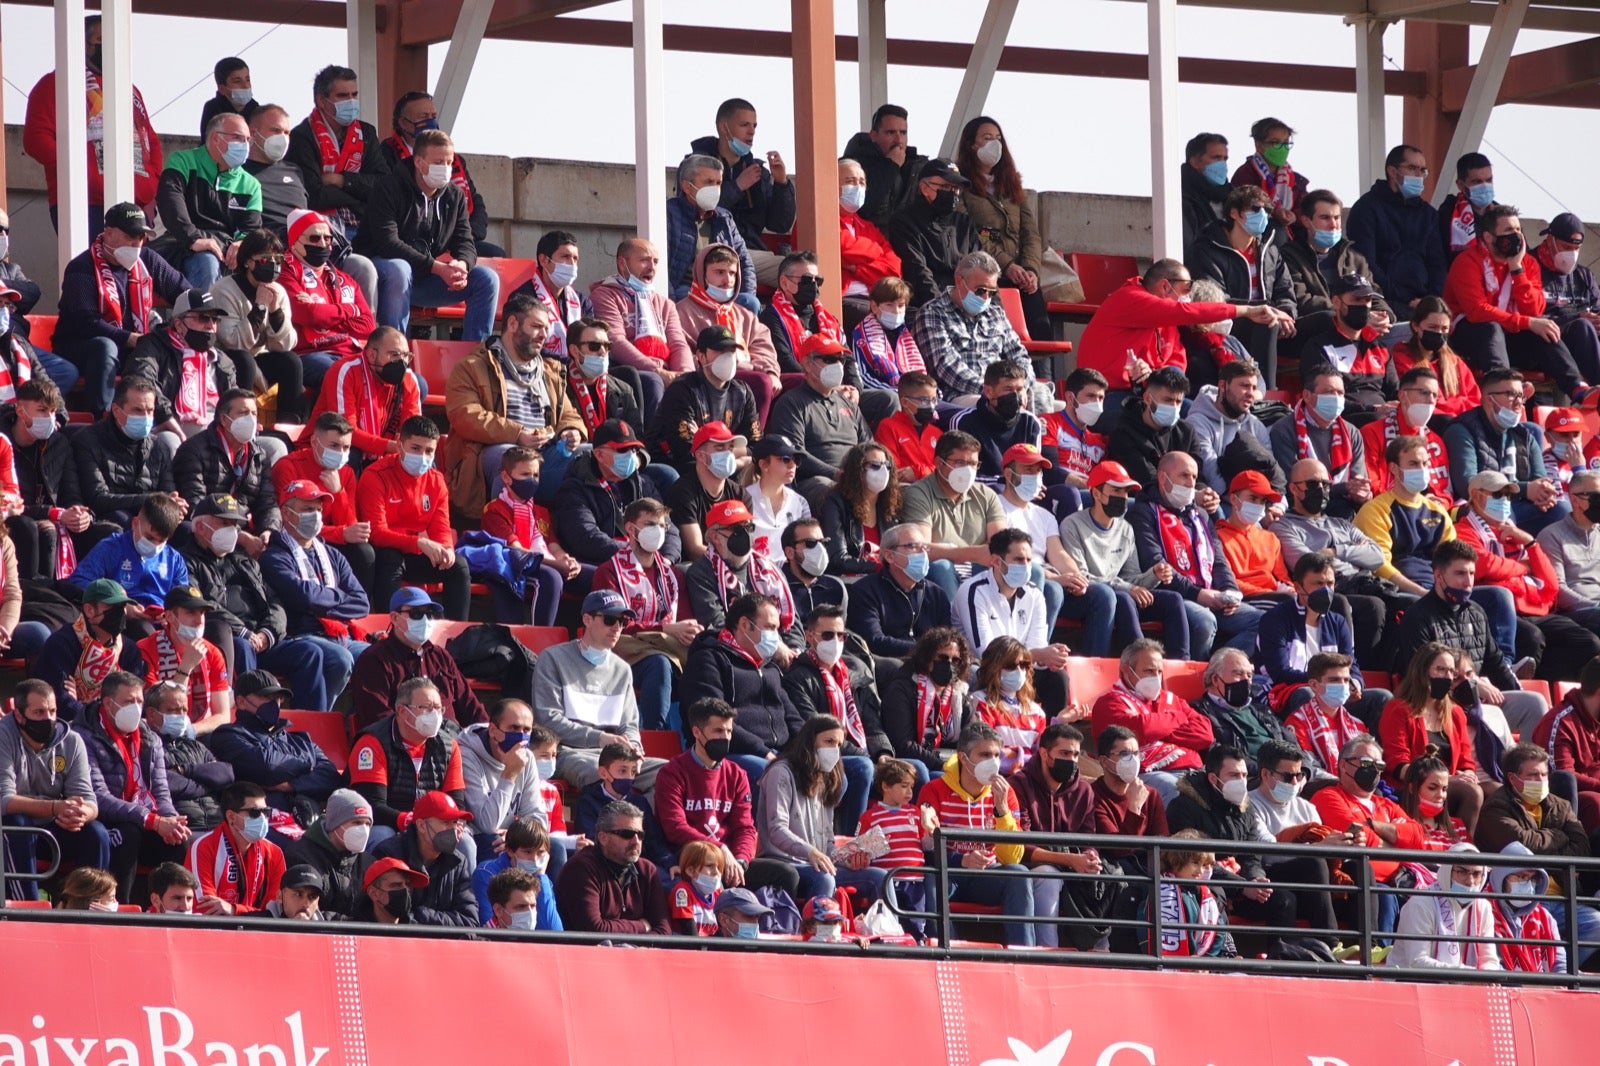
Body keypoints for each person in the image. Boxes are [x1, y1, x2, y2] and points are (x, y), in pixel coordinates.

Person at [180, 493, 346, 708]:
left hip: (262, 638)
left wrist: (268, 633)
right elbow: (201, 605)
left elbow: (274, 602)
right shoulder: (186, 562)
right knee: (242, 646)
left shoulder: (245, 560)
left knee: (309, 653)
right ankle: (253, 714)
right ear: (201, 527)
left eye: (235, 525)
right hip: (229, 641)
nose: (232, 530)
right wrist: (244, 632)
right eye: (224, 523)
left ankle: (311, 722)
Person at [1169, 744, 1339, 949]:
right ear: (1213, 778)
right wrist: (1242, 887)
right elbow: (1195, 860)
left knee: (1288, 893)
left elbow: (1252, 854)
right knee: (1278, 898)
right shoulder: (1184, 807)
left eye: (1243, 775)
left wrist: (1255, 878)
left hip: (1243, 881)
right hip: (1210, 882)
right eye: (1234, 775)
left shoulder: (1244, 807)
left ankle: (1312, 951)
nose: (1241, 781)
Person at [441, 294, 583, 519]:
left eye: (546, 329)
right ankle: (506, 530)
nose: (544, 335)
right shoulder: (472, 366)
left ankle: (579, 532)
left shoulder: (550, 370)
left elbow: (567, 413)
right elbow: (465, 416)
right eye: (536, 327)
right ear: (513, 323)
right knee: (511, 458)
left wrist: (571, 431)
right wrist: (517, 434)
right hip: (492, 454)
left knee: (593, 456)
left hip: (545, 453)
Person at [22, 15, 163, 236]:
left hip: (135, 203)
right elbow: (36, 140)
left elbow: (150, 140)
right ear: (85, 45)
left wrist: (151, 184)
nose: (111, 47)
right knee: (94, 259)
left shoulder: (129, 88)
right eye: (102, 40)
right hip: (84, 203)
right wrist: (81, 171)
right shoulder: (56, 83)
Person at [1391, 540, 1547, 739]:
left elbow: (1496, 664)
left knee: (1533, 703)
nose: (1468, 582)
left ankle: (1530, 760)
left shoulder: (1477, 612)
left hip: (1476, 702)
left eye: (1472, 573)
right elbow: (1421, 675)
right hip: (1437, 707)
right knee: (1490, 718)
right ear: (1438, 575)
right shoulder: (1417, 616)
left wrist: (1516, 691)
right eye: (1460, 573)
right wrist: (1471, 683)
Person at [1076, 259, 1285, 406]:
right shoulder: (1130, 298)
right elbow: (1187, 311)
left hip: (1148, 395)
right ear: (1165, 286)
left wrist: (1154, 376)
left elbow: (1176, 364)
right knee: (1190, 415)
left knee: (1192, 412)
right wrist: (1247, 311)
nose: (1187, 298)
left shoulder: (1168, 322)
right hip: (1105, 396)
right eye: (1185, 290)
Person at [357, 129, 499, 342]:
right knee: (399, 269)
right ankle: (394, 350)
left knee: (486, 279)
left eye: (449, 162)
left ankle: (475, 356)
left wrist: (462, 265)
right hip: (384, 274)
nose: (446, 168)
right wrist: (437, 267)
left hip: (425, 279)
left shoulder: (454, 196)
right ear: (418, 162)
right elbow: (388, 243)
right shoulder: (388, 187)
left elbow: (465, 241)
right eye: (439, 162)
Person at [1457, 469, 1600, 681]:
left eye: (1508, 496)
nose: (1505, 500)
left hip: (1534, 608)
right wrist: (1524, 568)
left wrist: (1530, 543)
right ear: (1477, 496)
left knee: (1588, 643)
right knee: (1532, 638)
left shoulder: (1514, 533)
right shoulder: (1464, 530)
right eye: (1498, 494)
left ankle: (1549, 685)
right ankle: (1514, 684)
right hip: (1500, 611)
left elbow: (1550, 584)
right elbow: (1485, 565)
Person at [1445, 203, 1594, 404]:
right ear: (1488, 237)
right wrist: (1528, 323)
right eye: (1508, 230)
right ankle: (1506, 388)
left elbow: (1535, 310)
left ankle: (1579, 390)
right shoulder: (1468, 261)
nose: (1515, 235)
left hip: (1511, 336)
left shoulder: (1527, 263)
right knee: (1492, 328)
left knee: (1544, 329)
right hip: (1472, 336)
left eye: (1518, 229)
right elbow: (1477, 311)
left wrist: (1516, 268)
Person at [655, 697, 800, 898]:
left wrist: (741, 861)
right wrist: (719, 849)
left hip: (730, 860)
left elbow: (745, 828)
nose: (725, 737)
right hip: (693, 858)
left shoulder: (737, 774)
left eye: (729, 731)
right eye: (718, 731)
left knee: (786, 875)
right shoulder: (672, 772)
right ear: (697, 732)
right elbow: (675, 828)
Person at [54, 204, 190, 416]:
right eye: (130, 236)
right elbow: (86, 323)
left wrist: (187, 320)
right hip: (82, 345)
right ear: (109, 233)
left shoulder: (147, 259)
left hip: (132, 345)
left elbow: (185, 294)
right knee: (106, 347)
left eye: (141, 237)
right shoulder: (82, 266)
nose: (136, 243)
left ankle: (166, 416)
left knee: (164, 345)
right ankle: (103, 417)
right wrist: (129, 338)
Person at [1129, 450, 1263, 659]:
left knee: (1262, 621)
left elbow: (1218, 560)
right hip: (1175, 595)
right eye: (1184, 475)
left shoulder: (1200, 515)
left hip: (1210, 594)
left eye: (1194, 476)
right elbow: (1154, 563)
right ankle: (1200, 672)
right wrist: (1197, 594)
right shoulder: (1143, 512)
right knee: (1204, 621)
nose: (1191, 483)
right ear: (1163, 478)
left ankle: (1217, 667)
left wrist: (1230, 591)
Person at [1475, 742, 1599, 964]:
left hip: (1563, 898)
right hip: (1520, 902)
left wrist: (1542, 856)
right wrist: (1558, 836)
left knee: (1597, 924)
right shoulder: (1495, 808)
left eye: (1544, 774)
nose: (1540, 780)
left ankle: (1563, 973)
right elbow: (1522, 846)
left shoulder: (1561, 805)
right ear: (1513, 778)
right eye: (1533, 775)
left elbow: (1581, 847)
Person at [531, 589, 666, 792]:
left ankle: (637, 813)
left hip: (616, 756)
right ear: (587, 619)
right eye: (610, 619)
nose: (617, 627)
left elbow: (629, 725)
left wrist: (634, 749)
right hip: (569, 752)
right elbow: (548, 719)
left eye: (623, 622)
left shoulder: (623, 669)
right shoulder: (553, 658)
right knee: (601, 774)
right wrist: (600, 739)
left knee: (669, 774)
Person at [1058, 458, 1192, 660]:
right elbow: (1081, 577)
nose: (1123, 497)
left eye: (1126, 492)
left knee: (1173, 600)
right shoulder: (1072, 525)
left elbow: (1131, 577)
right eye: (1116, 491)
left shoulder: (1125, 529)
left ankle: (1181, 664)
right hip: (1088, 595)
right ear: (1096, 493)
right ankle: (1142, 661)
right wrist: (1128, 588)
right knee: (1123, 597)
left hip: (1120, 592)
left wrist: (1153, 575)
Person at [917, 721, 1038, 945]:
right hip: (948, 873)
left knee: (1019, 874)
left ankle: (1022, 953)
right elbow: (925, 850)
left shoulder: (1006, 793)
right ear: (963, 758)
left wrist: (1002, 811)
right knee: (930, 877)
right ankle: (946, 951)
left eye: (996, 755)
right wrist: (961, 860)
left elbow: (1012, 858)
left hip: (986, 875)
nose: (993, 762)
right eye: (984, 755)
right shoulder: (934, 790)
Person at [589, 497, 699, 732]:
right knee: (658, 663)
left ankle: (697, 737)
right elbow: (612, 625)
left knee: (705, 660)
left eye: (662, 526)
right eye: (650, 524)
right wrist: (664, 629)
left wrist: (691, 631)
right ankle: (654, 734)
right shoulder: (609, 572)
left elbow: (684, 619)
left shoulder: (673, 576)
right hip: (624, 651)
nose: (658, 531)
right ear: (631, 529)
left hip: (668, 647)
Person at [757, 714, 888, 903]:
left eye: (838, 745)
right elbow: (777, 829)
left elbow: (827, 843)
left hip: (817, 864)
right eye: (829, 742)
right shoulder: (780, 772)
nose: (834, 750)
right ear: (810, 742)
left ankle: (887, 922)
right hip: (782, 863)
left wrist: (846, 859)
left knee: (881, 878)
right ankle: (818, 922)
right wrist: (810, 852)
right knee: (824, 878)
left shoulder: (827, 779)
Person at [1002, 721, 1110, 949]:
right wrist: (1070, 860)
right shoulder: (1018, 785)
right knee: (1047, 875)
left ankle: (1101, 954)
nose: (1071, 760)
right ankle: (1047, 951)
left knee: (1105, 876)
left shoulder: (1084, 790)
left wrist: (1090, 856)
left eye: (1076, 755)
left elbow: (1088, 836)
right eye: (1064, 753)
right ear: (1044, 754)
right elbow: (1023, 847)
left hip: (1072, 863)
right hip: (1035, 865)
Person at [681, 593, 804, 786]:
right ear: (745, 624)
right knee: (772, 775)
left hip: (779, 754)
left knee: (840, 775)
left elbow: (792, 717)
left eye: (777, 629)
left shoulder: (770, 668)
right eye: (770, 628)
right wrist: (763, 752)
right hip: (734, 753)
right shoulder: (709, 660)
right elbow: (712, 718)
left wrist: (810, 746)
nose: (776, 637)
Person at [0, 680, 108, 896]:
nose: (48, 719)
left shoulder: (72, 741)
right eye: (39, 712)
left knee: (96, 833)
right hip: (16, 828)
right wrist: (55, 807)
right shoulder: (4, 737)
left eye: (52, 711)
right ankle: (27, 907)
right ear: (19, 715)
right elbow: (5, 801)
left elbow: (90, 801)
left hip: (54, 825)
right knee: (18, 824)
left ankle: (86, 905)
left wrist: (80, 813)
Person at [356, 414, 471, 618]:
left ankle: (458, 633)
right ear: (400, 446)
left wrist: (446, 549)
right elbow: (377, 533)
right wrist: (419, 543)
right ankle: (386, 626)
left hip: (416, 551)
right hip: (386, 552)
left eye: (429, 451)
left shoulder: (436, 480)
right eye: (416, 448)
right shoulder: (375, 476)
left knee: (458, 565)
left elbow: (441, 527)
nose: (423, 456)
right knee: (390, 557)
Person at [782, 604, 887, 826]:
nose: (836, 641)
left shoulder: (853, 674)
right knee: (862, 768)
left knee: (917, 771)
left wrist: (883, 753)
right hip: (822, 752)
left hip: (860, 751)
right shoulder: (798, 677)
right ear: (810, 636)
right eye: (828, 635)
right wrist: (865, 757)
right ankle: (850, 838)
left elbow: (871, 722)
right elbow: (814, 729)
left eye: (841, 635)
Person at [1260, 552, 1390, 731]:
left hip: (1333, 691)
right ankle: (1315, 748)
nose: (1326, 590)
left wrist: (1354, 684)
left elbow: (1350, 663)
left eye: (1330, 583)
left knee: (1382, 698)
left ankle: (1366, 748)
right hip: (1288, 693)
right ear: (1298, 587)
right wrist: (1325, 683)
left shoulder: (1338, 622)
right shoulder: (1275, 620)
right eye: (1318, 584)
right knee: (1306, 694)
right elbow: (1280, 673)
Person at [1310, 733, 1426, 932]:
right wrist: (1395, 841)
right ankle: (1377, 949)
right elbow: (1357, 834)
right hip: (1358, 887)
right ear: (1344, 765)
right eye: (1366, 763)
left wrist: (1375, 825)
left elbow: (1418, 838)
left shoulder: (1386, 804)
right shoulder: (1328, 796)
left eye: (1379, 766)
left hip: (1399, 882)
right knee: (1384, 895)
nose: (1373, 770)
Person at [1184, 184, 1298, 380]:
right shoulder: (1207, 248)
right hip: (1231, 322)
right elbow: (1217, 300)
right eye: (1255, 209)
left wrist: (1286, 313)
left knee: (1326, 320)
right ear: (1234, 213)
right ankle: (1266, 391)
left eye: (1266, 210)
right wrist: (1264, 310)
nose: (1263, 215)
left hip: (1273, 322)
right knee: (1267, 320)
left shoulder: (1270, 250)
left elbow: (1285, 291)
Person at [953, 530, 1071, 716]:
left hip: (1020, 668)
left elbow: (1037, 645)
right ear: (996, 561)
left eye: (1028, 560)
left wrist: (1050, 656)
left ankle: (1051, 732)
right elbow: (986, 653)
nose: (1025, 566)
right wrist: (1038, 654)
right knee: (977, 674)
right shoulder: (973, 591)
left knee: (1057, 677)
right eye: (1018, 560)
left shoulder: (1035, 595)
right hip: (984, 669)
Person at [347, 677, 469, 847]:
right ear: (402, 711)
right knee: (383, 835)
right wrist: (410, 821)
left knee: (466, 843)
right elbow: (370, 804)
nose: (434, 715)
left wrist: (454, 824)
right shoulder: (372, 743)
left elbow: (457, 802)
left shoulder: (450, 746)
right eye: (425, 708)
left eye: (438, 708)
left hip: (431, 825)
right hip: (387, 824)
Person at [955, 115, 1049, 337]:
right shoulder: (960, 186)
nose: (994, 144)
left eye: (998, 138)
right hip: (988, 276)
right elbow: (970, 234)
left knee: (1042, 329)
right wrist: (1007, 266)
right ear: (971, 144)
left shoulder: (1011, 184)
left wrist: (1030, 270)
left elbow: (1030, 233)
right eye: (987, 138)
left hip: (1021, 276)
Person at [1090, 639, 1215, 803]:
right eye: (1149, 671)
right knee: (1180, 795)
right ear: (1127, 671)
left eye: (1159, 671)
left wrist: (1159, 731)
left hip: (1192, 770)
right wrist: (1178, 717)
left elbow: (1205, 734)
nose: (1156, 677)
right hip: (1146, 774)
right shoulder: (1109, 702)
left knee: (1222, 793)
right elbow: (1140, 730)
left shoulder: (1170, 699)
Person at [1446, 368, 1567, 535]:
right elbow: (1467, 485)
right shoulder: (1462, 430)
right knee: (1503, 513)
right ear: (1488, 399)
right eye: (1510, 395)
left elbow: (1541, 480)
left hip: (1518, 504)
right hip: (1483, 505)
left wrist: (1544, 493)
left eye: (1521, 396)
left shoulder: (1526, 434)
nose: (1518, 403)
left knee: (1562, 511)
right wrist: (1526, 489)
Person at [379, 91, 500, 256]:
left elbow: (475, 202)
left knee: (494, 254)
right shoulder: (387, 155)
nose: (430, 121)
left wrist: (467, 236)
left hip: (454, 237)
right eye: (423, 116)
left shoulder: (455, 160)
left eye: (433, 116)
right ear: (403, 123)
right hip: (412, 239)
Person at [1379, 643, 1484, 828]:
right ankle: (1462, 844)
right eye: (1441, 670)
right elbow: (1397, 764)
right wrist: (1445, 779)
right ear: (1422, 672)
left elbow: (1466, 761)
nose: (1448, 677)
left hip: (1447, 785)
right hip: (1411, 787)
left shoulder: (1455, 712)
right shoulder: (1398, 709)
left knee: (1499, 792)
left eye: (1451, 672)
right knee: (1472, 793)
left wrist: (1468, 775)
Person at [207, 669, 341, 813]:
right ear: (241, 702)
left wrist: (292, 785)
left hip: (308, 816)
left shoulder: (301, 740)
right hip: (261, 817)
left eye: (278, 697)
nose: (274, 703)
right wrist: (309, 764)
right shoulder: (227, 735)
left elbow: (331, 778)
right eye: (266, 697)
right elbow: (267, 767)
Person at [209, 228, 307, 421]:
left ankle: (288, 424)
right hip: (227, 357)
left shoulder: (278, 291)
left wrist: (275, 311)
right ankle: (242, 419)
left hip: (259, 356)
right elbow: (233, 342)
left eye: (277, 260)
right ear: (248, 261)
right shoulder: (223, 290)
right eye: (265, 259)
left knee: (291, 362)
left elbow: (285, 345)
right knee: (244, 361)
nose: (272, 265)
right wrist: (260, 307)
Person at [156, 112, 262, 289]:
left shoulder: (251, 185)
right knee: (207, 263)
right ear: (215, 138)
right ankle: (201, 308)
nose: (245, 145)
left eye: (247, 140)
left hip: (225, 251)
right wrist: (194, 240)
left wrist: (242, 244)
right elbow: (170, 204)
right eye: (237, 138)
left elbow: (251, 229)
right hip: (180, 244)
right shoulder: (183, 161)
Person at [911, 251, 1033, 405]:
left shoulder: (996, 313)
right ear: (959, 281)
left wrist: (1021, 386)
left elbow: (1019, 354)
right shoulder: (932, 314)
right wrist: (993, 392)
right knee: (988, 407)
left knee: (1048, 400)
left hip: (1006, 391)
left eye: (992, 292)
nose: (986, 297)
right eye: (980, 290)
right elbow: (946, 367)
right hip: (960, 395)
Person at [591, 238, 694, 420]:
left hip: (666, 371)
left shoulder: (665, 304)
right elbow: (615, 341)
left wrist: (684, 375)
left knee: (694, 383)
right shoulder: (605, 295)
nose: (652, 267)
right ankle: (653, 438)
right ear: (622, 263)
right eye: (644, 260)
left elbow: (678, 344)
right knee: (654, 381)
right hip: (628, 370)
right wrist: (657, 371)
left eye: (655, 261)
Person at [898, 430, 1007, 601]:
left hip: (980, 569)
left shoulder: (987, 495)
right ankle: (952, 618)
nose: (967, 470)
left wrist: (975, 555)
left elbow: (1001, 545)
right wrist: (973, 553)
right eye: (960, 462)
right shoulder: (918, 494)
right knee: (941, 567)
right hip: (942, 572)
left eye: (973, 464)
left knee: (1029, 570)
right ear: (939, 462)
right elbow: (921, 549)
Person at [555, 418, 680, 567]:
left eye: (634, 450)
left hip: (647, 561)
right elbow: (586, 537)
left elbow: (668, 526)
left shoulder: (643, 483)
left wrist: (667, 559)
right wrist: (637, 554)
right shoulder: (574, 489)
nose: (630, 455)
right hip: (605, 566)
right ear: (599, 454)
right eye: (622, 450)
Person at [674, 244, 779, 420]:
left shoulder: (744, 315)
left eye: (732, 273)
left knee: (798, 381)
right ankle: (754, 436)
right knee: (761, 382)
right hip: (707, 378)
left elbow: (764, 349)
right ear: (702, 274)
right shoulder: (682, 312)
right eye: (719, 272)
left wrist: (771, 372)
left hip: (749, 371)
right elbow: (683, 355)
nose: (728, 279)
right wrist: (738, 366)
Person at [286, 64, 390, 239]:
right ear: (321, 100)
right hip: (323, 232)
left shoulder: (366, 132)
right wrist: (359, 197)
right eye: (342, 96)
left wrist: (342, 180)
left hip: (365, 227)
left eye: (354, 95)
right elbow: (314, 194)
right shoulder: (302, 136)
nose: (351, 101)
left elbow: (383, 184)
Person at [765, 335, 871, 503]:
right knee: (831, 491)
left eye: (840, 360)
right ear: (807, 364)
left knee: (901, 491)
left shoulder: (849, 404)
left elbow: (869, 446)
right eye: (829, 359)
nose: (837, 365)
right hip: (814, 481)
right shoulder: (791, 403)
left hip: (854, 477)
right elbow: (794, 453)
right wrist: (836, 474)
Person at [285, 211, 380, 397]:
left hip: (348, 351)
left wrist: (324, 314)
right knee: (341, 374)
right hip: (309, 354)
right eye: (314, 238)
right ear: (295, 242)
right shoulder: (285, 273)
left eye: (327, 238)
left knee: (413, 381)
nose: (322, 244)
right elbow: (308, 315)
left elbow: (367, 326)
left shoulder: (344, 279)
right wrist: (351, 310)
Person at [1346, 143, 1447, 316]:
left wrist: (1431, 299)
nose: (1419, 175)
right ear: (1393, 172)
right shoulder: (1366, 208)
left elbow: (1437, 263)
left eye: (1423, 170)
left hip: (1425, 302)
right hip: (1384, 301)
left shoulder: (1428, 214)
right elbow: (1365, 263)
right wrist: (1405, 298)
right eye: (1412, 168)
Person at [67, 493, 190, 634]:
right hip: (121, 623)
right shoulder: (111, 547)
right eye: (149, 537)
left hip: (162, 626)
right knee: (143, 630)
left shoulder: (175, 560)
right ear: (135, 523)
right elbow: (79, 580)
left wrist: (171, 616)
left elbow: (182, 600)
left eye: (161, 541)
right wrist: (117, 603)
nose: (154, 545)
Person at [554, 799, 673, 934]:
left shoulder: (647, 870)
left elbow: (664, 931)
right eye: (627, 834)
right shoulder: (581, 868)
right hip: (589, 948)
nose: (636, 841)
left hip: (636, 948)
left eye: (640, 835)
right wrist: (642, 926)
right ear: (603, 838)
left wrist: (637, 945)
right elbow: (593, 930)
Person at [1269, 368, 1369, 521]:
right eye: (1328, 392)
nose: (1336, 398)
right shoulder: (1284, 430)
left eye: (1340, 393)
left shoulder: (1352, 432)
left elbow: (1358, 481)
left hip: (1344, 510)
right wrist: (1343, 488)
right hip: (1303, 511)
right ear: (1307, 396)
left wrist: (1361, 492)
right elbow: (1294, 485)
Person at [369, 789, 478, 926]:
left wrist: (423, 916)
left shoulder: (458, 862)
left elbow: (469, 921)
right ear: (421, 825)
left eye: (455, 822)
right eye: (446, 822)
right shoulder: (389, 854)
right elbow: (386, 914)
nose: (453, 829)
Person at [845, 521, 954, 658]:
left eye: (924, 547)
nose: (922, 553)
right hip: (888, 663)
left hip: (933, 662)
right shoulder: (865, 591)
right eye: (912, 546)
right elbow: (874, 641)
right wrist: (925, 650)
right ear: (890, 556)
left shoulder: (936, 593)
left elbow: (947, 640)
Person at [664, 154, 758, 312]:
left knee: (750, 302)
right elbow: (660, 266)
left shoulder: (725, 218)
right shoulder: (669, 213)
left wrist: (743, 295)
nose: (715, 189)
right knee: (684, 297)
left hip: (723, 291)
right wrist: (670, 302)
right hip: (686, 291)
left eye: (718, 183)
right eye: (708, 182)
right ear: (686, 186)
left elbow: (744, 262)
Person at [133, 585, 233, 734]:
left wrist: (192, 731)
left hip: (200, 733)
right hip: (160, 734)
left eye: (202, 613)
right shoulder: (145, 649)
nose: (199, 621)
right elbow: (156, 712)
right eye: (191, 613)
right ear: (170, 617)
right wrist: (185, 669)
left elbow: (223, 715)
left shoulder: (212, 653)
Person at [1295, 274, 1398, 418]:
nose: (1363, 306)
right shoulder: (1319, 347)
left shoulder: (1380, 349)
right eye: (1357, 299)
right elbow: (1323, 399)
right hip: (1342, 419)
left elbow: (1396, 392)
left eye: (1367, 300)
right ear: (1337, 302)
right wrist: (1374, 409)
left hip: (1384, 419)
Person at [1194, 648, 1308, 776]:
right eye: (1238, 674)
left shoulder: (1262, 710)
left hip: (1291, 776)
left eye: (1249, 675)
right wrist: (1273, 773)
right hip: (1251, 779)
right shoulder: (1200, 712)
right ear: (1215, 679)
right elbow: (1217, 756)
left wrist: (1304, 772)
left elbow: (1294, 746)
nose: (1246, 680)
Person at [1387, 843, 1501, 971]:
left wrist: (1485, 974)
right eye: (1462, 872)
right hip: (1410, 980)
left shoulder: (1483, 907)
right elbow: (1417, 962)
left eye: (1476, 874)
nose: (1470, 881)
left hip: (1467, 980)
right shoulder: (1421, 904)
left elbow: (1489, 959)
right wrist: (1469, 975)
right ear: (1448, 871)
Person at [1281, 189, 1389, 321]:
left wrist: (1384, 316)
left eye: (1337, 217)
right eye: (1325, 218)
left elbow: (1375, 295)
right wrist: (1356, 315)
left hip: (1361, 325)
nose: (1333, 225)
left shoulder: (1354, 258)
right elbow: (1303, 301)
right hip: (1318, 329)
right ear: (1306, 221)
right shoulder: (1290, 256)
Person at [184, 781, 285, 914]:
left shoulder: (274, 853)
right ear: (231, 817)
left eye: (266, 812)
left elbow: (277, 911)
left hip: (257, 927)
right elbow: (205, 908)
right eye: (255, 813)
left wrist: (233, 910)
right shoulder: (203, 847)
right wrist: (255, 915)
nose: (262, 818)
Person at [145, 681, 232, 833]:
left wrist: (184, 770)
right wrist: (208, 783)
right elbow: (168, 783)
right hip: (182, 828)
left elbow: (226, 773)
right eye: (173, 710)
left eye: (184, 710)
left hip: (218, 825)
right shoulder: (146, 747)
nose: (181, 716)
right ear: (152, 713)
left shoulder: (196, 746)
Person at [1138, 830, 1237, 958]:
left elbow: (1219, 931)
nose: (1200, 870)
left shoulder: (1206, 894)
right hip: (1164, 964)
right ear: (1176, 859)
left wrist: (1207, 959)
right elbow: (1145, 931)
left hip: (1201, 964)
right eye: (1195, 863)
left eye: (1204, 865)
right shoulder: (1156, 889)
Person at [948, 360, 1043, 493]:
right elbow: (961, 475)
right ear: (988, 391)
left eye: (1019, 389)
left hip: (1022, 493)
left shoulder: (1030, 422)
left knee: (1066, 494)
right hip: (980, 494)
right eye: (1008, 389)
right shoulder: (964, 421)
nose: (1015, 396)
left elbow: (1034, 470)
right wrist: (1006, 483)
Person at [1106, 367, 1202, 492]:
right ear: (1147, 398)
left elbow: (1199, 477)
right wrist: (1193, 495)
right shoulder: (1123, 433)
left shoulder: (1187, 432)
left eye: (1178, 402)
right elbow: (1147, 479)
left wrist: (1205, 494)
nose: (1174, 407)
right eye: (1168, 400)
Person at [1188, 359, 1274, 496]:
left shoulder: (1256, 425)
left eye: (1254, 388)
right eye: (1244, 386)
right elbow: (1212, 476)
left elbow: (1271, 471)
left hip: (1257, 499)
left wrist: (1277, 504)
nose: (1251, 393)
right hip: (1220, 499)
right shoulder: (1198, 423)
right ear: (1223, 385)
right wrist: (1242, 502)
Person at [280, 788, 372, 917]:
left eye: (367, 824)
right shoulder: (300, 856)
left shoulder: (369, 862)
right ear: (335, 823)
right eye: (356, 822)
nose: (363, 830)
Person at [1091, 725, 1169, 872]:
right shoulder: (1092, 795)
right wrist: (1134, 807)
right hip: (1115, 874)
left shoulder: (1150, 794)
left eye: (1136, 753)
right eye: (1124, 754)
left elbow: (1162, 846)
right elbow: (1118, 850)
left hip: (1149, 872)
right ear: (1104, 761)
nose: (1132, 760)